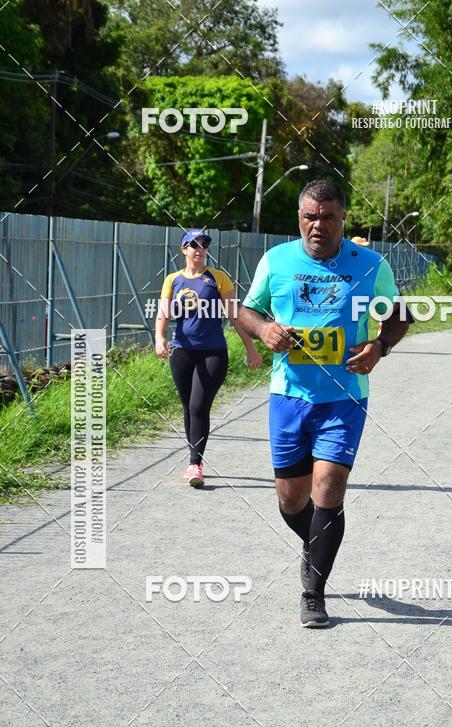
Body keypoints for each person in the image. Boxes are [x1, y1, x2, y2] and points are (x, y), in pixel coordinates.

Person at [239, 180, 414, 628]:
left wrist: (379, 346)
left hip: (344, 399)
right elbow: (245, 311)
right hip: (289, 396)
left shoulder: (370, 265)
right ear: (299, 219)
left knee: (329, 489)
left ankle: (313, 593)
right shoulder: (276, 261)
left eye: (328, 217)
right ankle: (315, 545)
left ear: (342, 219)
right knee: (291, 500)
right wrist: (263, 331)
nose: (318, 226)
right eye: (309, 218)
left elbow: (399, 315)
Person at [155, 229, 262, 487]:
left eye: (203, 244)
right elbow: (163, 312)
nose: (198, 249)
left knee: (198, 406)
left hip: (213, 352)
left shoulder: (218, 278)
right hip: (181, 351)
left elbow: (235, 315)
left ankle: (195, 464)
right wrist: (159, 337)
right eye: (193, 244)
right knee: (188, 407)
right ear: (183, 249)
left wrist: (250, 347)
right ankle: (194, 459)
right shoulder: (172, 280)